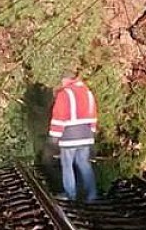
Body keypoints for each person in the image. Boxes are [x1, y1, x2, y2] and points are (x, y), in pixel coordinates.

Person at [49, 69, 98, 202]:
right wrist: (92, 132)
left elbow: (59, 116)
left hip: (69, 136)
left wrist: (54, 136)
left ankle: (70, 194)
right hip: (86, 135)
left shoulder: (64, 94)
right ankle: (92, 194)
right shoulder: (88, 92)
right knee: (84, 163)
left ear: (65, 80)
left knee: (67, 164)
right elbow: (93, 114)